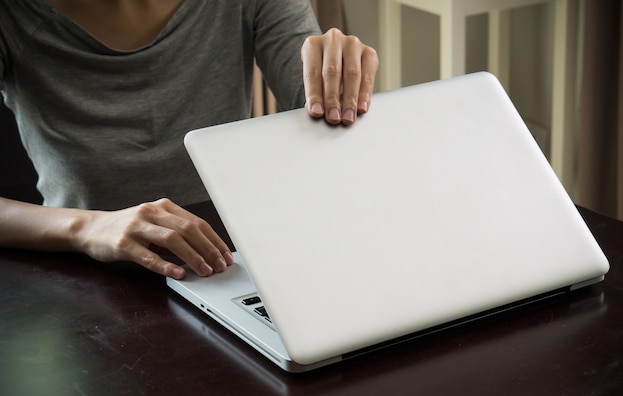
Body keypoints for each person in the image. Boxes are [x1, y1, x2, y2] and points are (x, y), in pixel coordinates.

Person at [0, 1, 378, 279]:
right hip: (88, 270)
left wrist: (341, 83)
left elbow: (332, 125)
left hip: (232, 258)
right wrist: (88, 228)